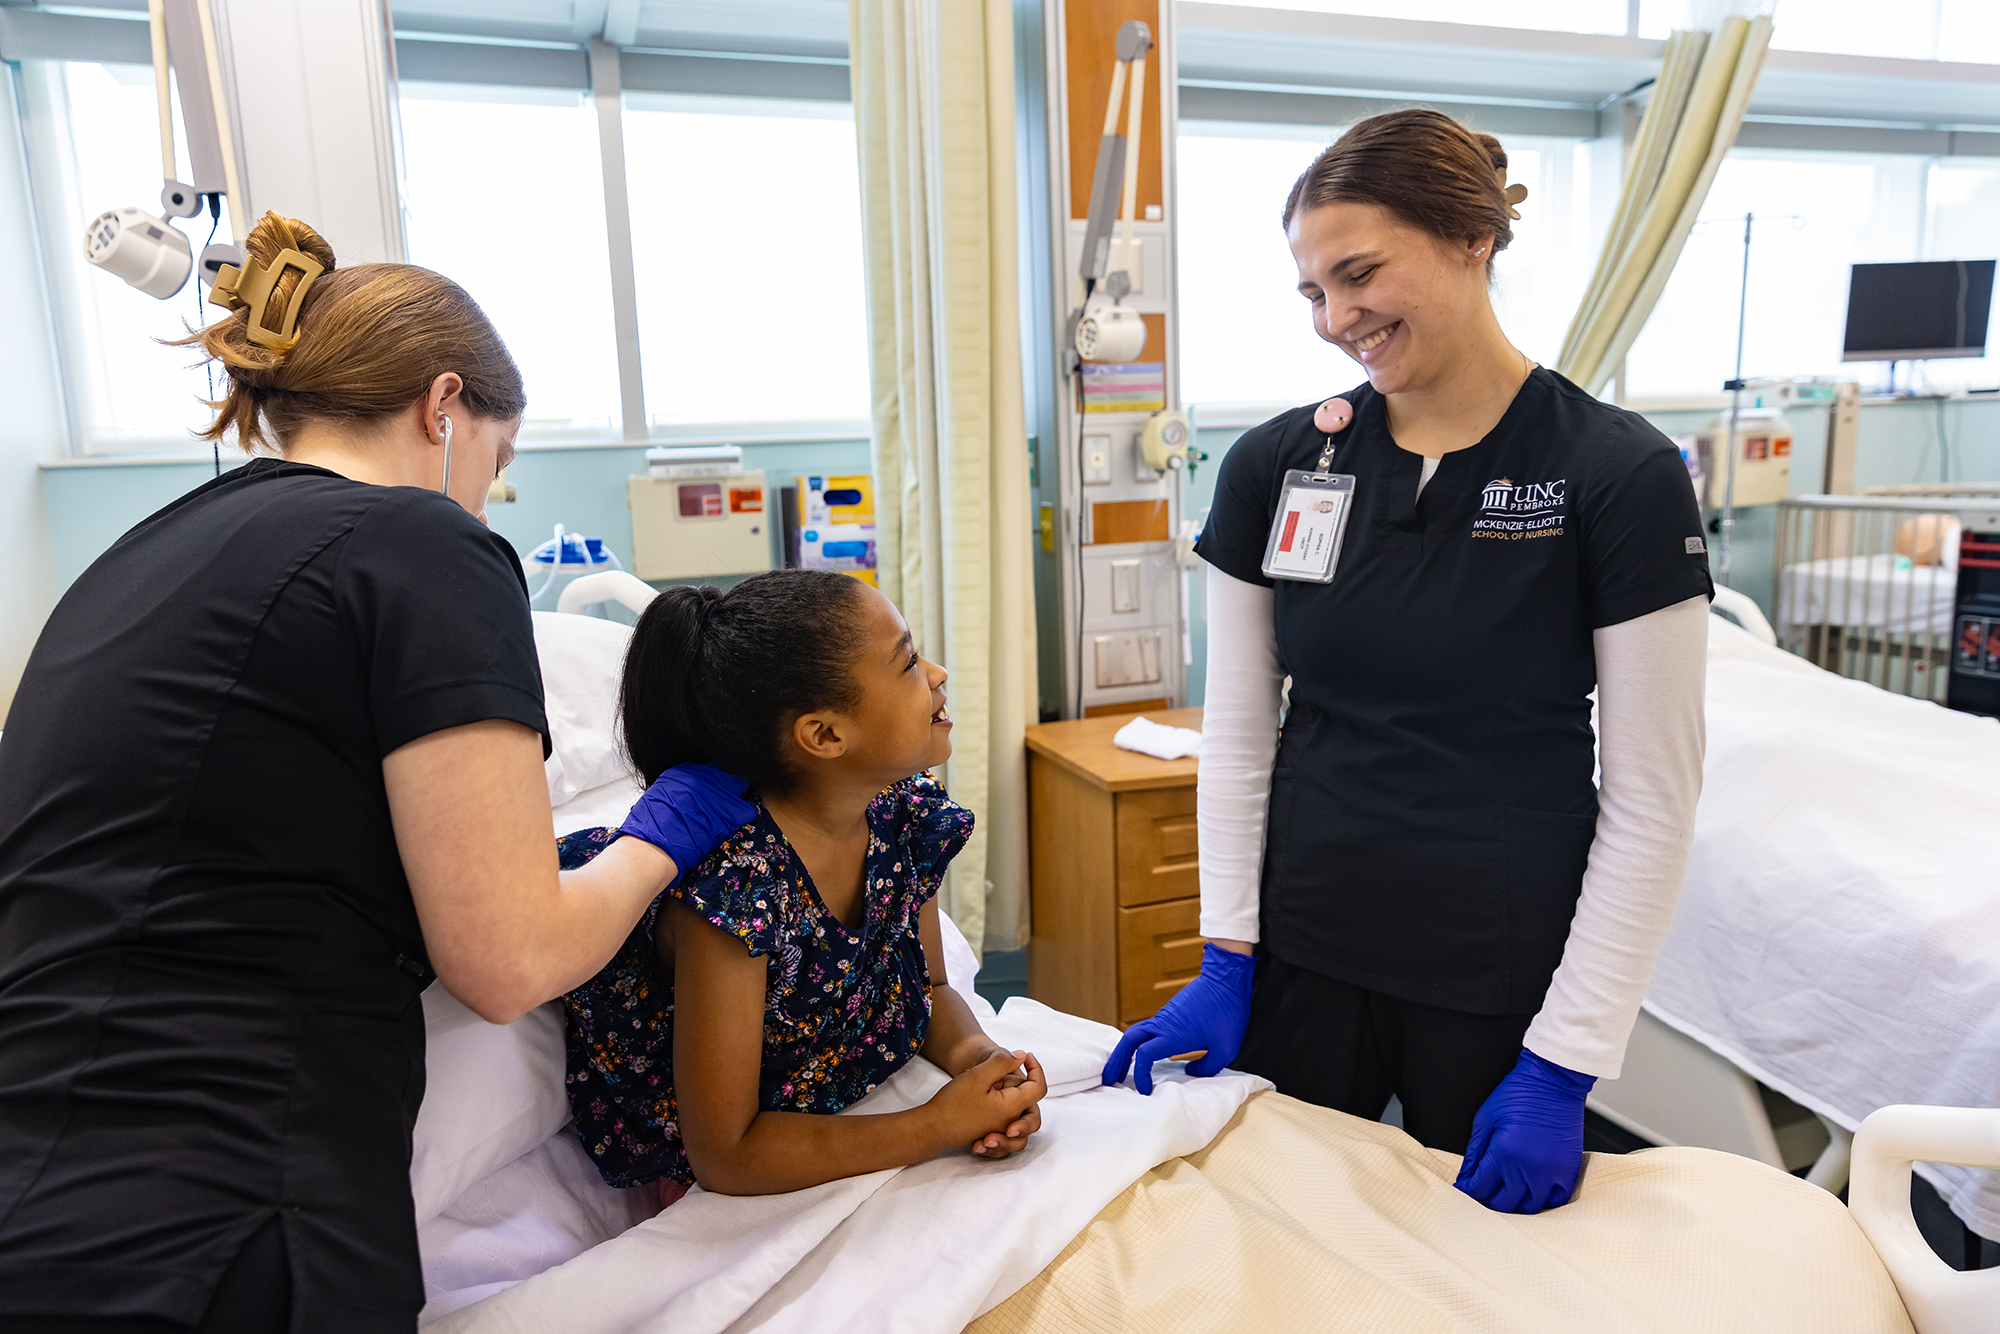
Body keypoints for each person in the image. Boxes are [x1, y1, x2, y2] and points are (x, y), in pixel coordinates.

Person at [0, 212, 753, 1334]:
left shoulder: (143, 553)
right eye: (494, 469)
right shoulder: (420, 544)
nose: (484, 504)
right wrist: (661, 831)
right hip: (223, 1194)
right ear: (441, 408)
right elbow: (507, 958)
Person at [1102, 110, 1712, 1216]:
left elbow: (1652, 797)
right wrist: (1225, 956)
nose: (1337, 319)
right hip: (1305, 944)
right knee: (1281, 1235)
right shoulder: (1276, 463)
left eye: (1359, 273)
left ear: (1468, 238)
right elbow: (1239, 733)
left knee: (1488, 1271)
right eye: (1311, 292)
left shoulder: (1611, 472)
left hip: (1498, 966)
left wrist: (1564, 1060)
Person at [560, 571, 1046, 1201]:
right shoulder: (738, 894)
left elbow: (927, 986)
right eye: (906, 664)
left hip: (843, 1078)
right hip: (734, 1150)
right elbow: (727, 1156)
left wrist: (982, 1066)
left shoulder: (900, 812)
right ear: (824, 735)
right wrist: (937, 1125)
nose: (937, 672)